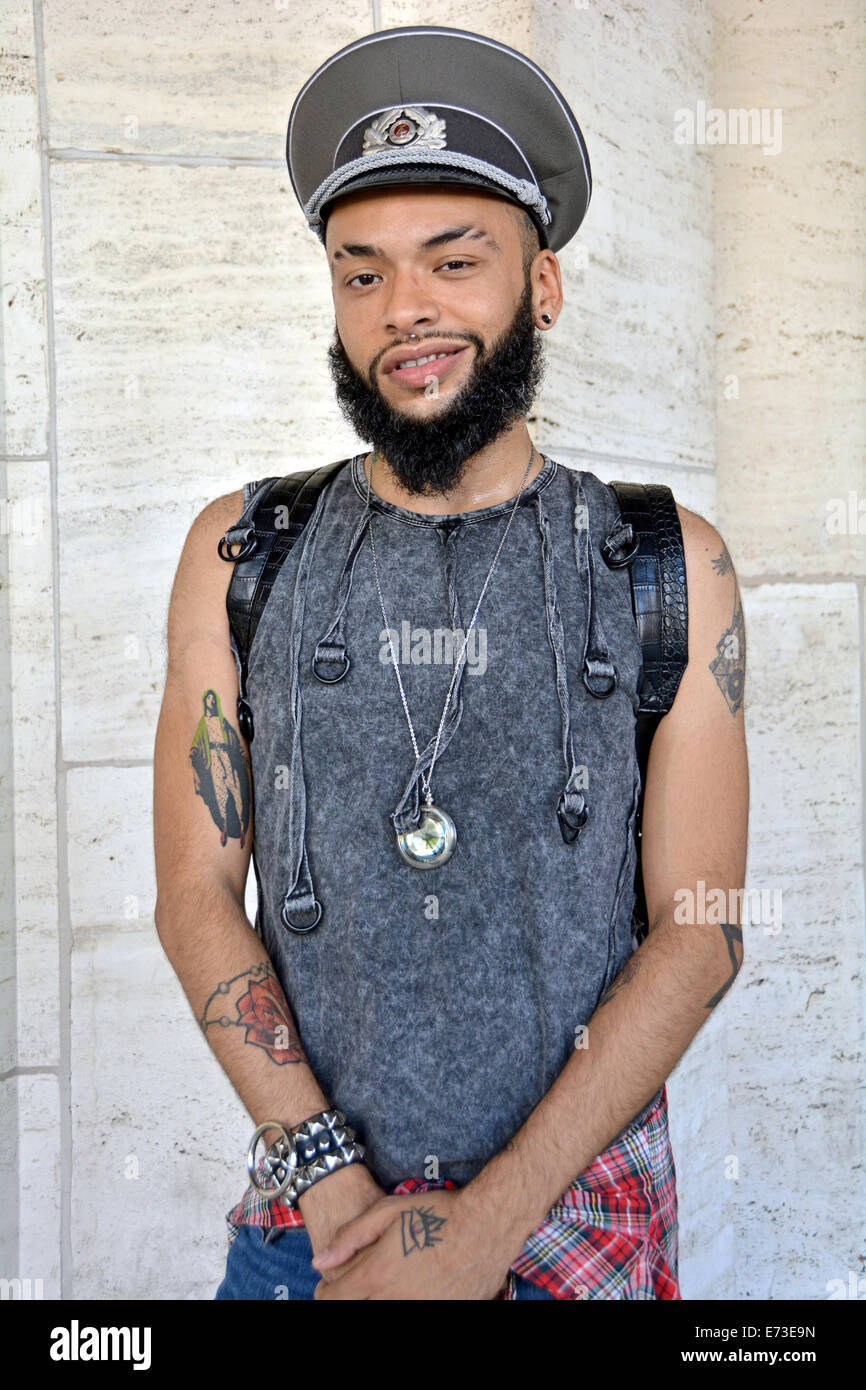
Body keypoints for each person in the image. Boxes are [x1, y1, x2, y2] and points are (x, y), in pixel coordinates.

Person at [153, 25, 749, 1301]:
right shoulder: (239, 552)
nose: (403, 310)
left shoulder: (666, 564)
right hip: (312, 1232)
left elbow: (695, 936)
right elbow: (197, 898)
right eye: (358, 274)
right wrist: (331, 1183)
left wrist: (481, 1233)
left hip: (573, 1231)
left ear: (540, 284)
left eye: (453, 262)